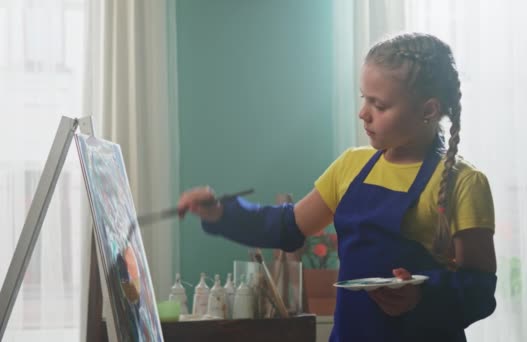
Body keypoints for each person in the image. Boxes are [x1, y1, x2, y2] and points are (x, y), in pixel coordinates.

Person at [178, 32, 497, 341]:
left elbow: (479, 292)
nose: (363, 114)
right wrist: (220, 213)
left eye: (379, 105)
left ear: (428, 110)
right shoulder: (351, 165)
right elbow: (285, 228)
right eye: (364, 99)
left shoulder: (464, 182)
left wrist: (421, 296)